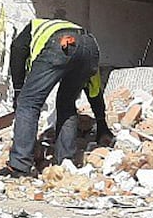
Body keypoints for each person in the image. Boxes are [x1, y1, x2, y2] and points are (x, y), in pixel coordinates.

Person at [7, 18, 111, 176]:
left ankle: (19, 165)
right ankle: (64, 162)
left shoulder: (34, 27)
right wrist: (102, 123)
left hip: (61, 43)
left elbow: (17, 48)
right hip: (91, 47)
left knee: (29, 104)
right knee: (67, 104)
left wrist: (18, 90)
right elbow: (94, 90)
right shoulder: (79, 37)